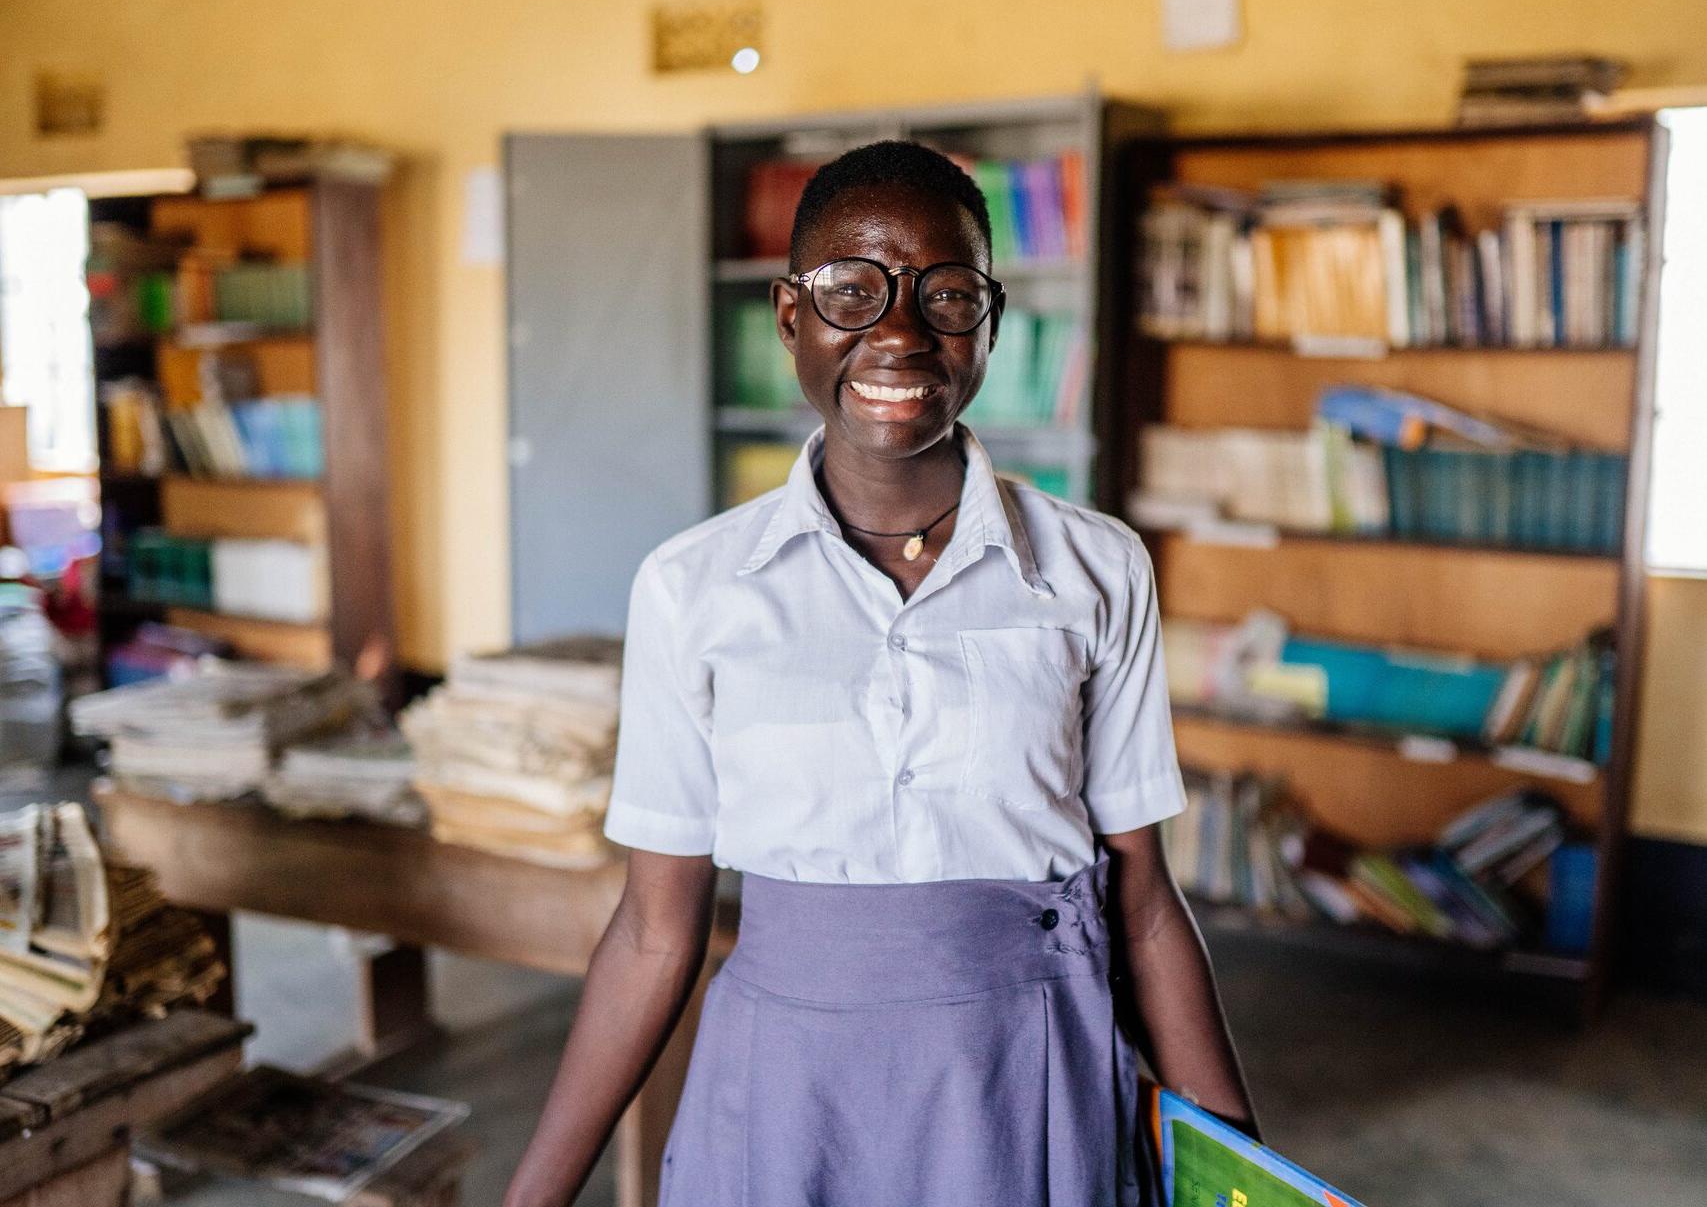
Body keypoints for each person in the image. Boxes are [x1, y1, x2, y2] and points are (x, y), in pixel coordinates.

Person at [505, 140, 1255, 1207]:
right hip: (789, 1093)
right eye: (851, 291)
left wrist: (1244, 1168)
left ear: (991, 321)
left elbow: (1139, 903)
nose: (899, 333)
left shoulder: (1095, 568)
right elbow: (653, 927)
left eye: (947, 294)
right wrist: (532, 1194)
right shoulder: (693, 587)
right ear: (788, 317)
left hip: (1024, 1076)